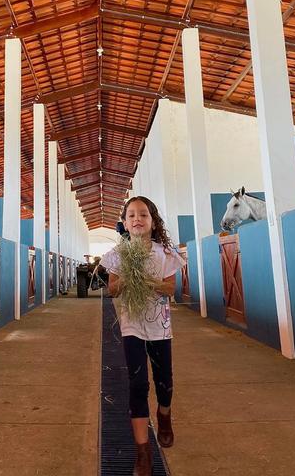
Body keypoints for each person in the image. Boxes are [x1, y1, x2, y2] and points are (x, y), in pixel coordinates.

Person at [100, 196, 185, 476]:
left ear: (153, 221)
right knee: (137, 384)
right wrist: (128, 277)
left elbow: (171, 289)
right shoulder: (118, 254)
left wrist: (148, 281)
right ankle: (143, 452)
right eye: (132, 215)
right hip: (132, 326)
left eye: (143, 215)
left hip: (160, 327)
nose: (137, 219)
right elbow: (113, 289)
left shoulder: (166, 254)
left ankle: (164, 415)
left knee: (165, 382)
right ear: (125, 222)